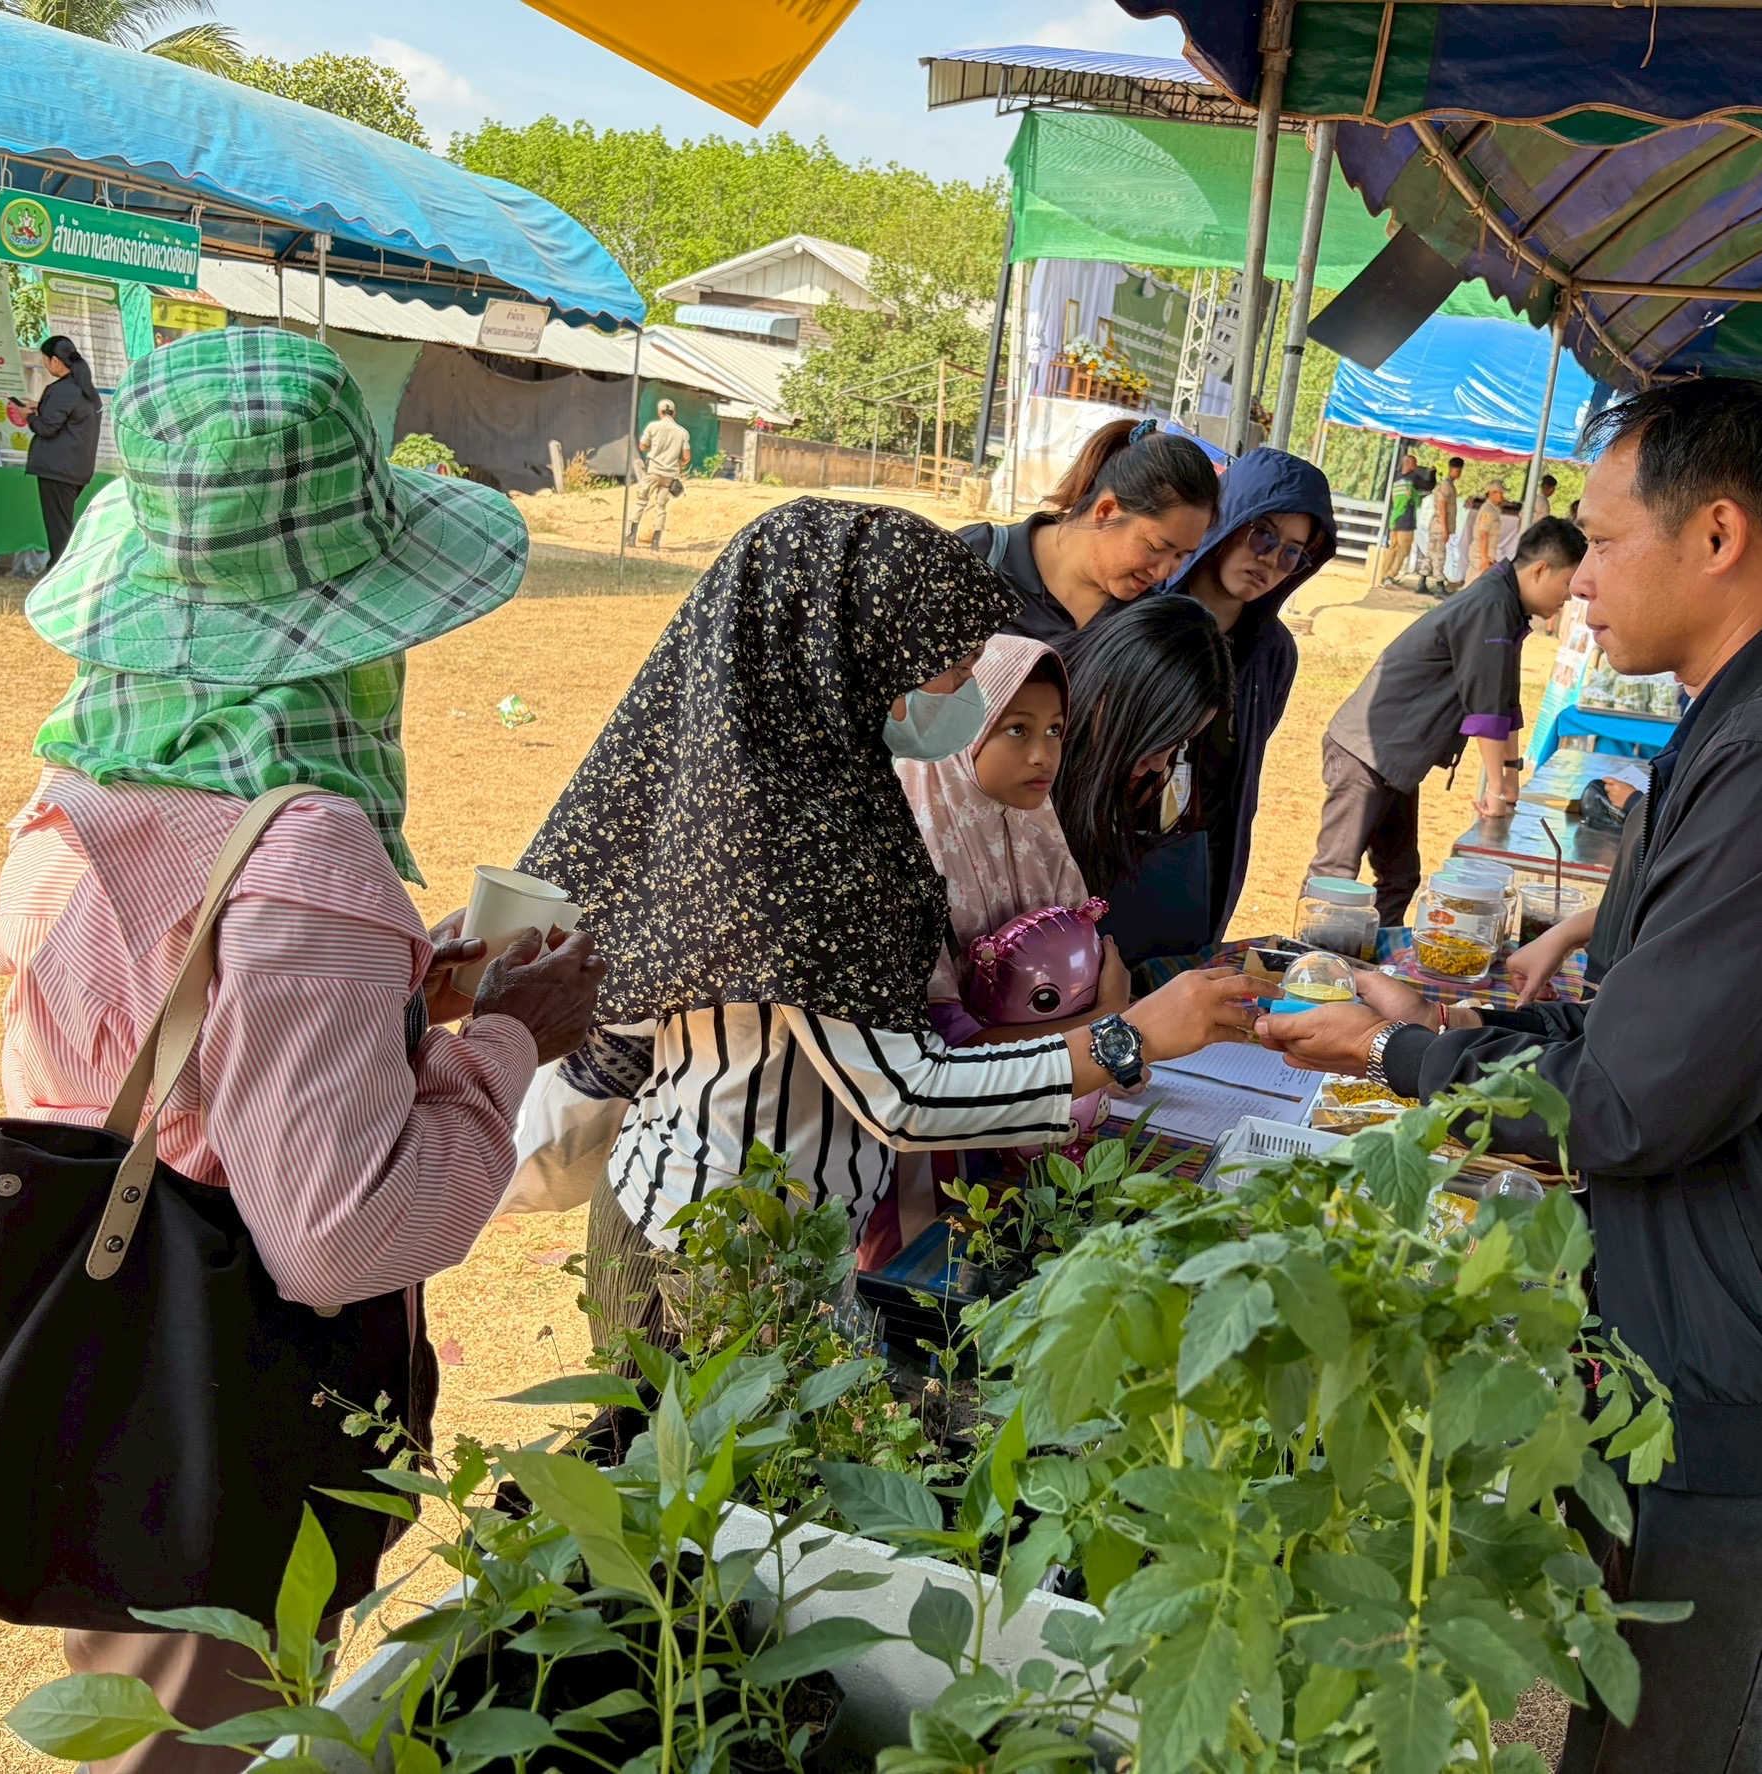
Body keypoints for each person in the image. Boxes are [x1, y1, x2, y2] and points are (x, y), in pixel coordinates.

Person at [1261, 377, 1762, 1774]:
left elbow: (1627, 1104)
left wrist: (1395, 1050)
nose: (1577, 581)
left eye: (1605, 542)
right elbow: (1664, 1032)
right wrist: (1446, 1031)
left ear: (1718, 534)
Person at [0, 328, 604, 1771]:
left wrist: (389, 1005)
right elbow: (336, 1236)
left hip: (107, 1370)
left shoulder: (83, 790)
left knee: (146, 1715)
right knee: (220, 1733)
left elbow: (190, 1040)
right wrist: (507, 1040)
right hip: (223, 1406)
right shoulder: (307, 855)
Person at [510, 500, 1262, 1331]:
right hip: (718, 1249)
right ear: (846, 652)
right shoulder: (793, 839)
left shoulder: (824, 793)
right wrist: (1131, 1037)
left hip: (766, 1225)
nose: (965, 696)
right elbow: (906, 1095)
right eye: (950, 669)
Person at [1309, 517, 1588, 923]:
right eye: (1567, 584)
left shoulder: (1506, 605)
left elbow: (1506, 703)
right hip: (1367, 753)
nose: (1570, 597)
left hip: (1396, 759)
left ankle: (1372, 957)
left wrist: (1510, 778)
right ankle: (1311, 958)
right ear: (1540, 570)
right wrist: (1497, 791)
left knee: (1401, 878)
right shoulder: (1491, 606)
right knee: (1335, 877)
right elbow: (1486, 711)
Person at [896, 634, 1110, 1046]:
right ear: (960, 730)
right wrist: (1105, 1022)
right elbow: (944, 1043)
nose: (1043, 755)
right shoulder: (913, 850)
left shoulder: (1041, 835)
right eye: (1017, 729)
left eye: (1054, 730)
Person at [1163, 447, 1337, 936]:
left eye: (1293, 552)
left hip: (1201, 867)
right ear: (1227, 519)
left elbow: (1238, 772)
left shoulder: (1273, 653)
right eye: (1263, 534)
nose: (1272, 561)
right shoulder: (1141, 616)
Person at [1052, 593, 1238, 962]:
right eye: (1159, 739)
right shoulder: (1030, 757)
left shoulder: (1125, 772)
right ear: (1109, 697)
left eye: (1180, 744)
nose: (1160, 764)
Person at [959, 418, 1219, 641]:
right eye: (1156, 547)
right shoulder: (975, 561)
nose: (1162, 573)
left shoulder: (1150, 624)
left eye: (1181, 556)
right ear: (1106, 511)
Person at [5, 336, 100, 567]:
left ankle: (60, 572)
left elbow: (47, 428)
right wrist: (40, 407)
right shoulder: (85, 389)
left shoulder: (62, 389)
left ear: (55, 361)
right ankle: (62, 569)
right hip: (77, 468)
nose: (46, 365)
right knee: (63, 523)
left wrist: (28, 416)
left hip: (57, 468)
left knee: (59, 529)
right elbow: (67, 418)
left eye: (45, 360)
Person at [634, 397, 693, 548]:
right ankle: (655, 541)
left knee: (641, 501)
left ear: (660, 412)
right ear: (674, 413)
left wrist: (652, 447)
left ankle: (631, 536)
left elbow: (643, 446)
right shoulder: (682, 432)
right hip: (669, 475)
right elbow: (687, 457)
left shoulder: (653, 427)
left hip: (653, 470)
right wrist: (678, 463)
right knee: (661, 508)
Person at [1379, 452, 1421, 584]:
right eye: (1415, 464)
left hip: (1395, 519)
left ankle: (1382, 573)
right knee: (1403, 550)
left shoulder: (1395, 478)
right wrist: (1432, 473)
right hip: (1406, 521)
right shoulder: (1413, 479)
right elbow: (1428, 486)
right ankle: (1391, 575)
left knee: (1392, 548)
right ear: (1411, 464)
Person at [1424, 455, 1465, 586]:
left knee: (1431, 553)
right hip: (1440, 524)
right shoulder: (1447, 485)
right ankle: (1439, 583)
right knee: (1439, 554)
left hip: (1437, 524)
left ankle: (1422, 580)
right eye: (1458, 470)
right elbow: (1442, 507)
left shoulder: (1447, 484)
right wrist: (1445, 528)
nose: (1459, 473)